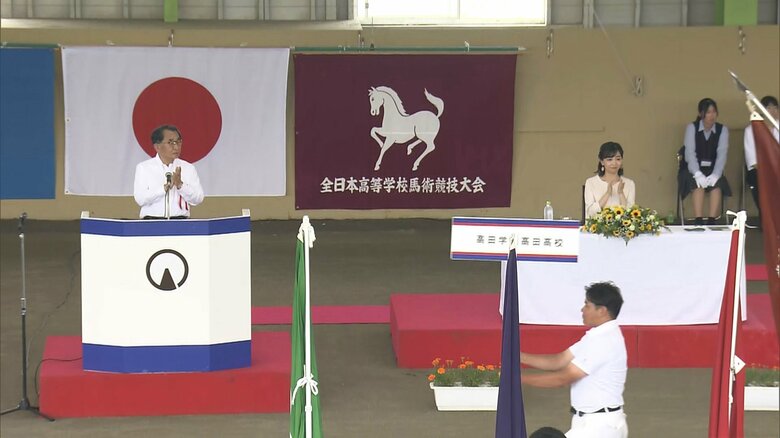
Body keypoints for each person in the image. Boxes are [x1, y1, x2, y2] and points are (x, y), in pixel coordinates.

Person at [520, 282, 627, 438]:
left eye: (587, 305)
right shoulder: (596, 336)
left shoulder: (603, 341)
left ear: (602, 310)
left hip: (600, 428)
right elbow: (558, 360)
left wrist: (518, 378)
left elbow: (563, 378)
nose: (582, 310)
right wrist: (517, 356)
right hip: (589, 422)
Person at [133, 125, 204, 219]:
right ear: (157, 146)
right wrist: (163, 189)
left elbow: (198, 199)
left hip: (180, 221)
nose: (176, 147)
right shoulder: (144, 168)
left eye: (178, 142)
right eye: (171, 142)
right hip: (151, 221)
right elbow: (140, 199)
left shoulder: (188, 168)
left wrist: (180, 185)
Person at [681, 98, 731, 226]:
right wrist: (697, 173)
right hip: (692, 168)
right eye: (708, 112)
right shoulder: (692, 127)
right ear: (700, 114)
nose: (711, 115)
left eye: (714, 112)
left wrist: (716, 174)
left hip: (713, 168)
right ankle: (698, 219)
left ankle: (712, 219)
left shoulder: (722, 130)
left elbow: (722, 154)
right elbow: (690, 153)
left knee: (717, 184)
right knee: (698, 184)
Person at [743, 95, 779, 221]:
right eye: (769, 108)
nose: (773, 111)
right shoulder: (751, 130)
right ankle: (767, 219)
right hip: (760, 170)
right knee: (759, 181)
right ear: (762, 111)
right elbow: (752, 160)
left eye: (775, 108)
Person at [583, 142, 636, 218]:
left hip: (621, 229)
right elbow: (590, 213)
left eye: (618, 159)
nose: (614, 163)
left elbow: (631, 215)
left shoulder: (629, 184)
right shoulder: (591, 182)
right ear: (602, 162)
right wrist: (607, 193)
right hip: (597, 228)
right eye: (609, 159)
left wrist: (621, 193)